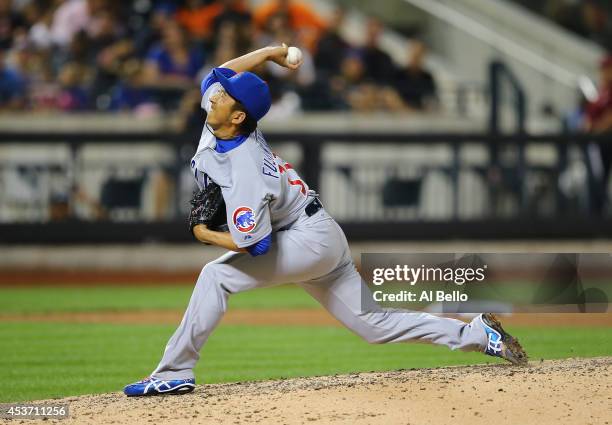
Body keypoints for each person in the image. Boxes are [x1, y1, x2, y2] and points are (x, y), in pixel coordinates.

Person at [123, 44, 527, 397]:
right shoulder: (225, 118)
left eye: (222, 99)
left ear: (239, 116)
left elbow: (255, 245)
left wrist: (204, 232)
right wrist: (268, 53)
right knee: (374, 325)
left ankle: (174, 372)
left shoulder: (244, 165)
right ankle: (475, 333)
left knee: (216, 277)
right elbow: (218, 74)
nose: (212, 98)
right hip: (319, 233)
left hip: (305, 240)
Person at [585, 54, 612, 214]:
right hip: (598, 142)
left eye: (606, 68)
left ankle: (602, 218)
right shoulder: (601, 91)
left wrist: (596, 129)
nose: (603, 72)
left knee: (601, 179)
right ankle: (597, 215)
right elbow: (589, 115)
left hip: (606, 140)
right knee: (596, 179)